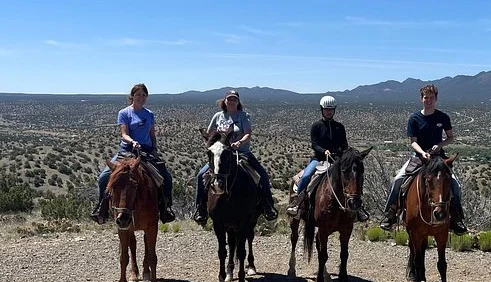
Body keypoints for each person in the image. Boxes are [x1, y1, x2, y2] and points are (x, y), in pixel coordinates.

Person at [378, 84, 467, 235]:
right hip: (419, 157)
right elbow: (413, 141)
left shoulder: (443, 117)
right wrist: (421, 152)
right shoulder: (414, 118)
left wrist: (439, 145)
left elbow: (451, 137)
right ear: (421, 99)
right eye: (426, 97)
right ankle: (390, 214)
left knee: (455, 185)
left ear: (436, 99)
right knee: (398, 180)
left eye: (432, 97)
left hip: (438, 158)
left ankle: (457, 218)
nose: (429, 100)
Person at [91, 83, 175, 224]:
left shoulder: (149, 114)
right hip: (127, 150)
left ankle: (165, 209)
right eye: (138, 95)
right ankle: (102, 209)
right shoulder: (124, 113)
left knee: (166, 177)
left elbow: (152, 134)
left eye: (143, 95)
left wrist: (154, 148)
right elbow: (124, 134)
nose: (141, 97)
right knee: (104, 178)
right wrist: (133, 142)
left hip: (146, 151)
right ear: (132, 96)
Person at [192, 90, 278, 225]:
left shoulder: (243, 116)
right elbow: (209, 135)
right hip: (221, 155)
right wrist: (213, 147)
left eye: (234, 99)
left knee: (262, 175)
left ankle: (268, 205)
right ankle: (200, 208)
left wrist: (240, 142)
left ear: (238, 102)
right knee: (201, 175)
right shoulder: (218, 116)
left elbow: (248, 133)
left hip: (242, 152)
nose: (231, 102)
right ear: (224, 101)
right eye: (229, 99)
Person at [286, 95, 369, 222]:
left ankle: (358, 208)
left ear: (334, 110)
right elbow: (314, 144)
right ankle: (297, 203)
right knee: (307, 176)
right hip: (319, 160)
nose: (329, 111)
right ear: (322, 110)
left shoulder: (339, 127)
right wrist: (323, 151)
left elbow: (344, 144)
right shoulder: (316, 126)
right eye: (326, 109)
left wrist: (345, 154)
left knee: (352, 178)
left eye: (331, 109)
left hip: (337, 160)